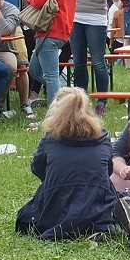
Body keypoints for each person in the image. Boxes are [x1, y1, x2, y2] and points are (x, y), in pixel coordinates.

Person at [15, 87, 118, 239]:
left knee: (25, 217)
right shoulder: (103, 137)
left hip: (57, 203)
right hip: (98, 205)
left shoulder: (50, 139)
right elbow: (108, 171)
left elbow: (37, 168)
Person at [25, 0, 77, 106]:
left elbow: (39, 1)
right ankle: (69, 96)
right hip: (63, 29)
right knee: (34, 69)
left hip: (48, 29)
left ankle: (56, 113)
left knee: (51, 75)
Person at [68, 0, 115, 114]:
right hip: (76, 15)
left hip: (95, 16)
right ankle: (82, 99)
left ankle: (102, 100)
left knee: (97, 61)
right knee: (78, 60)